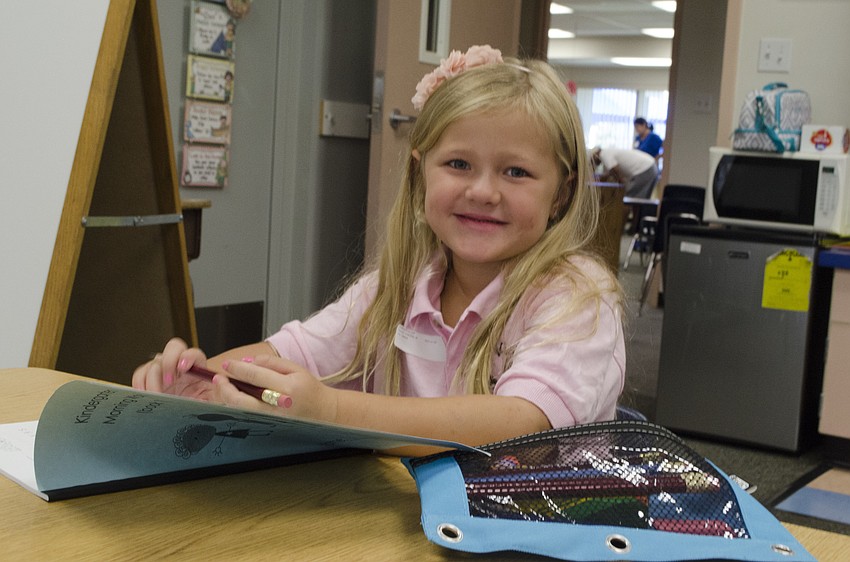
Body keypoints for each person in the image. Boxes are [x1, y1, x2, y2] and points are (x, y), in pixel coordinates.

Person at [133, 45, 625, 454]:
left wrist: (330, 413)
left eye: (515, 172)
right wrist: (195, 382)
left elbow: (520, 424)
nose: (483, 191)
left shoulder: (579, 297)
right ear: (419, 173)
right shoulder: (400, 286)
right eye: (457, 163)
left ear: (560, 194)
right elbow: (290, 354)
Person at [591, 147, 658, 200]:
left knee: (630, 198)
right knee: (642, 200)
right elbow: (609, 173)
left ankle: (631, 217)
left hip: (645, 169)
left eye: (592, 159)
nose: (593, 162)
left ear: (595, 154)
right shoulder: (608, 152)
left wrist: (622, 183)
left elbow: (615, 169)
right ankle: (639, 217)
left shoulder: (603, 154)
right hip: (651, 166)